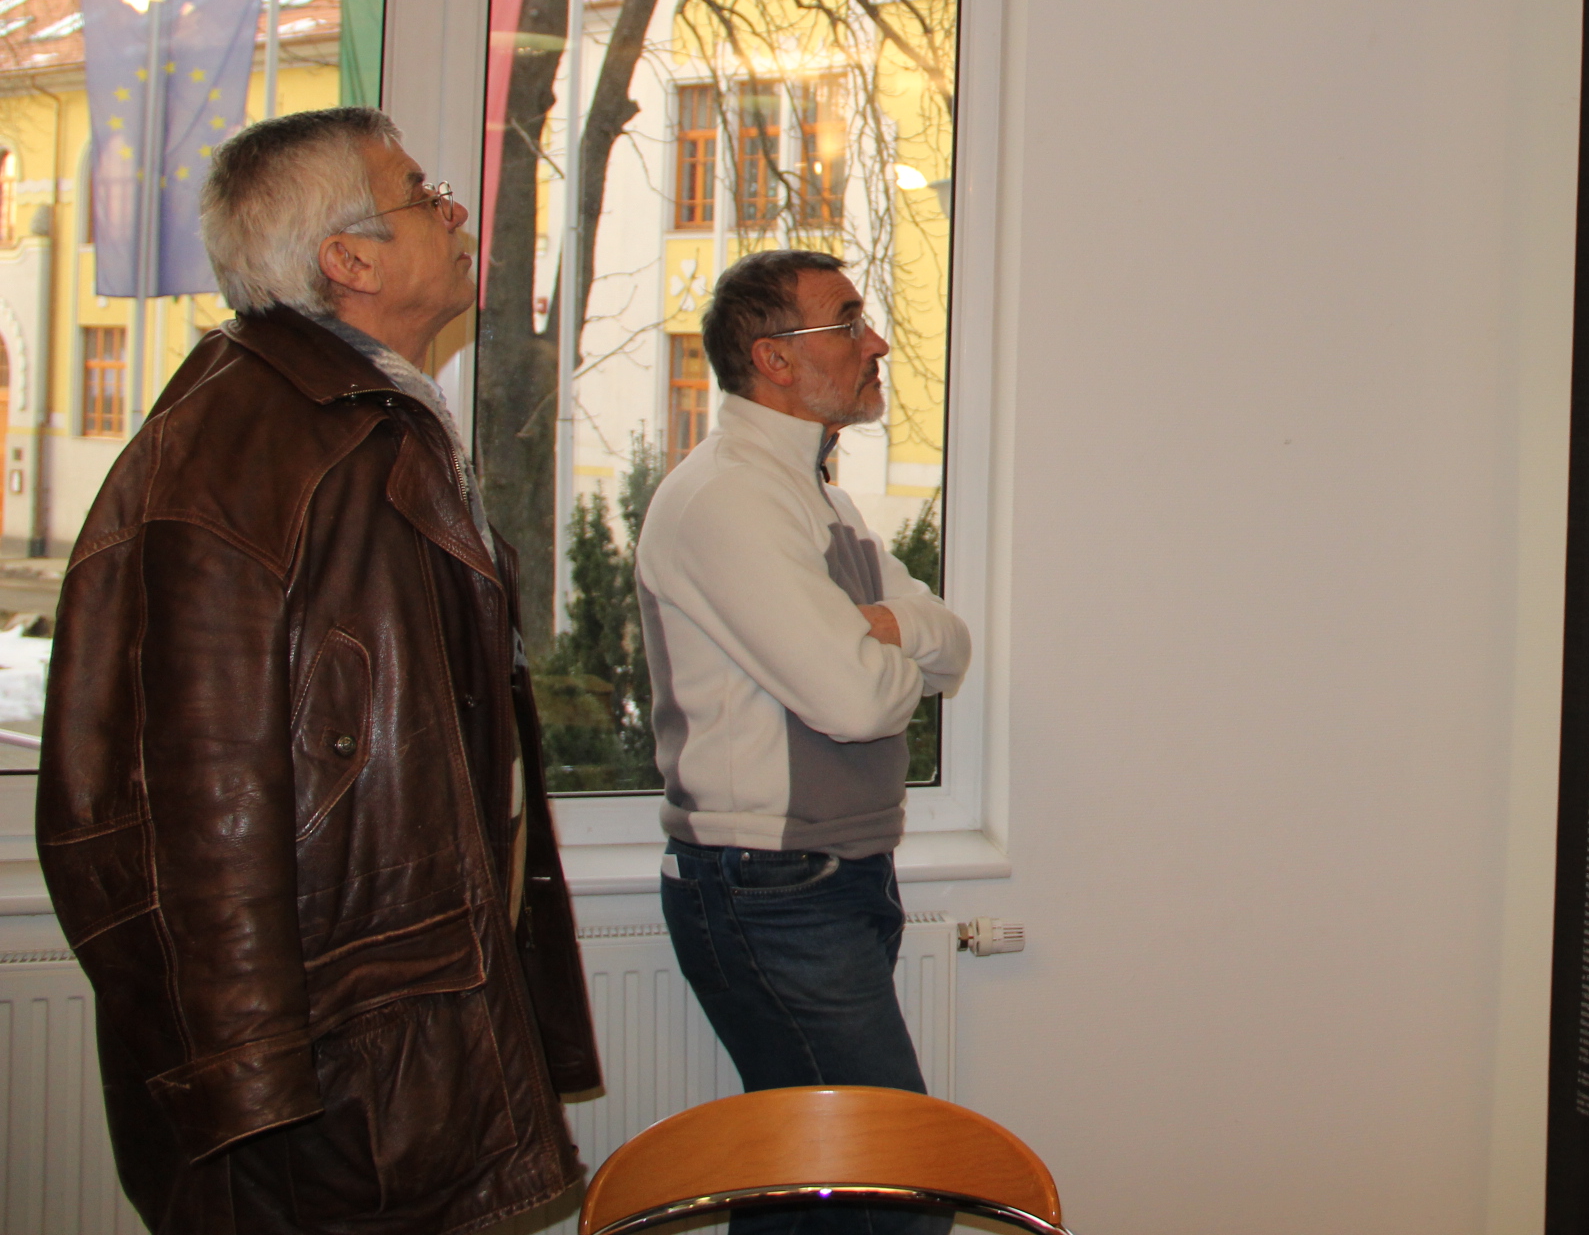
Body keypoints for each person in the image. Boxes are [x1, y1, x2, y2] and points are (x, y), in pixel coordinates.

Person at [37, 108, 599, 1233]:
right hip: (331, 1086)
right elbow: (191, 807)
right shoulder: (243, 451)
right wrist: (250, 1093)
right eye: (422, 194)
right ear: (349, 259)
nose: (455, 212)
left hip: (391, 1039)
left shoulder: (360, 417)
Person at [637, 249, 972, 1231]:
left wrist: (886, 628)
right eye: (848, 322)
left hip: (831, 877)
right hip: (770, 888)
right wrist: (885, 645)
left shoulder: (820, 498)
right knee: (893, 1190)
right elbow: (857, 703)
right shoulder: (729, 499)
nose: (877, 344)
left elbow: (952, 644)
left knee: (809, 1192)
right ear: (774, 360)